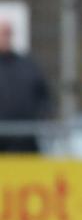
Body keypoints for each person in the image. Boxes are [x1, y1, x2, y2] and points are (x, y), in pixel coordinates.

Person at [0, 18, 51, 152]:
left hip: (26, 139)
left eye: (8, 33)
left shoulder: (27, 65)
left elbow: (44, 96)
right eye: (3, 33)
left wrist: (41, 116)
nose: (6, 37)